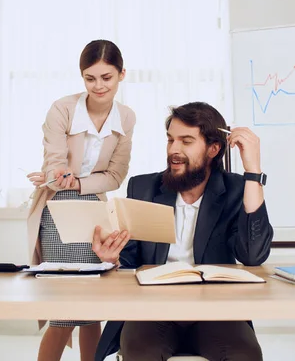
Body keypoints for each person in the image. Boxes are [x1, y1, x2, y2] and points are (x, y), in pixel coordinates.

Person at [91, 102, 274, 361]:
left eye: (186, 141)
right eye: (170, 140)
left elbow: (253, 255)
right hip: (153, 310)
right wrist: (112, 258)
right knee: (141, 353)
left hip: (215, 310)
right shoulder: (143, 188)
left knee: (244, 354)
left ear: (213, 149)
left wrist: (253, 173)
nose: (174, 150)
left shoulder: (236, 189)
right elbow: (129, 260)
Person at [25, 39, 136, 361]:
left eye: (106, 77)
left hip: (95, 211)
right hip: (58, 207)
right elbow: (54, 161)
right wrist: (60, 175)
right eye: (90, 78)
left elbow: (116, 176)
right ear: (82, 77)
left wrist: (80, 181)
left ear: (121, 75)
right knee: (61, 312)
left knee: (91, 311)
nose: (98, 85)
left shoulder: (126, 118)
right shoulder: (62, 109)